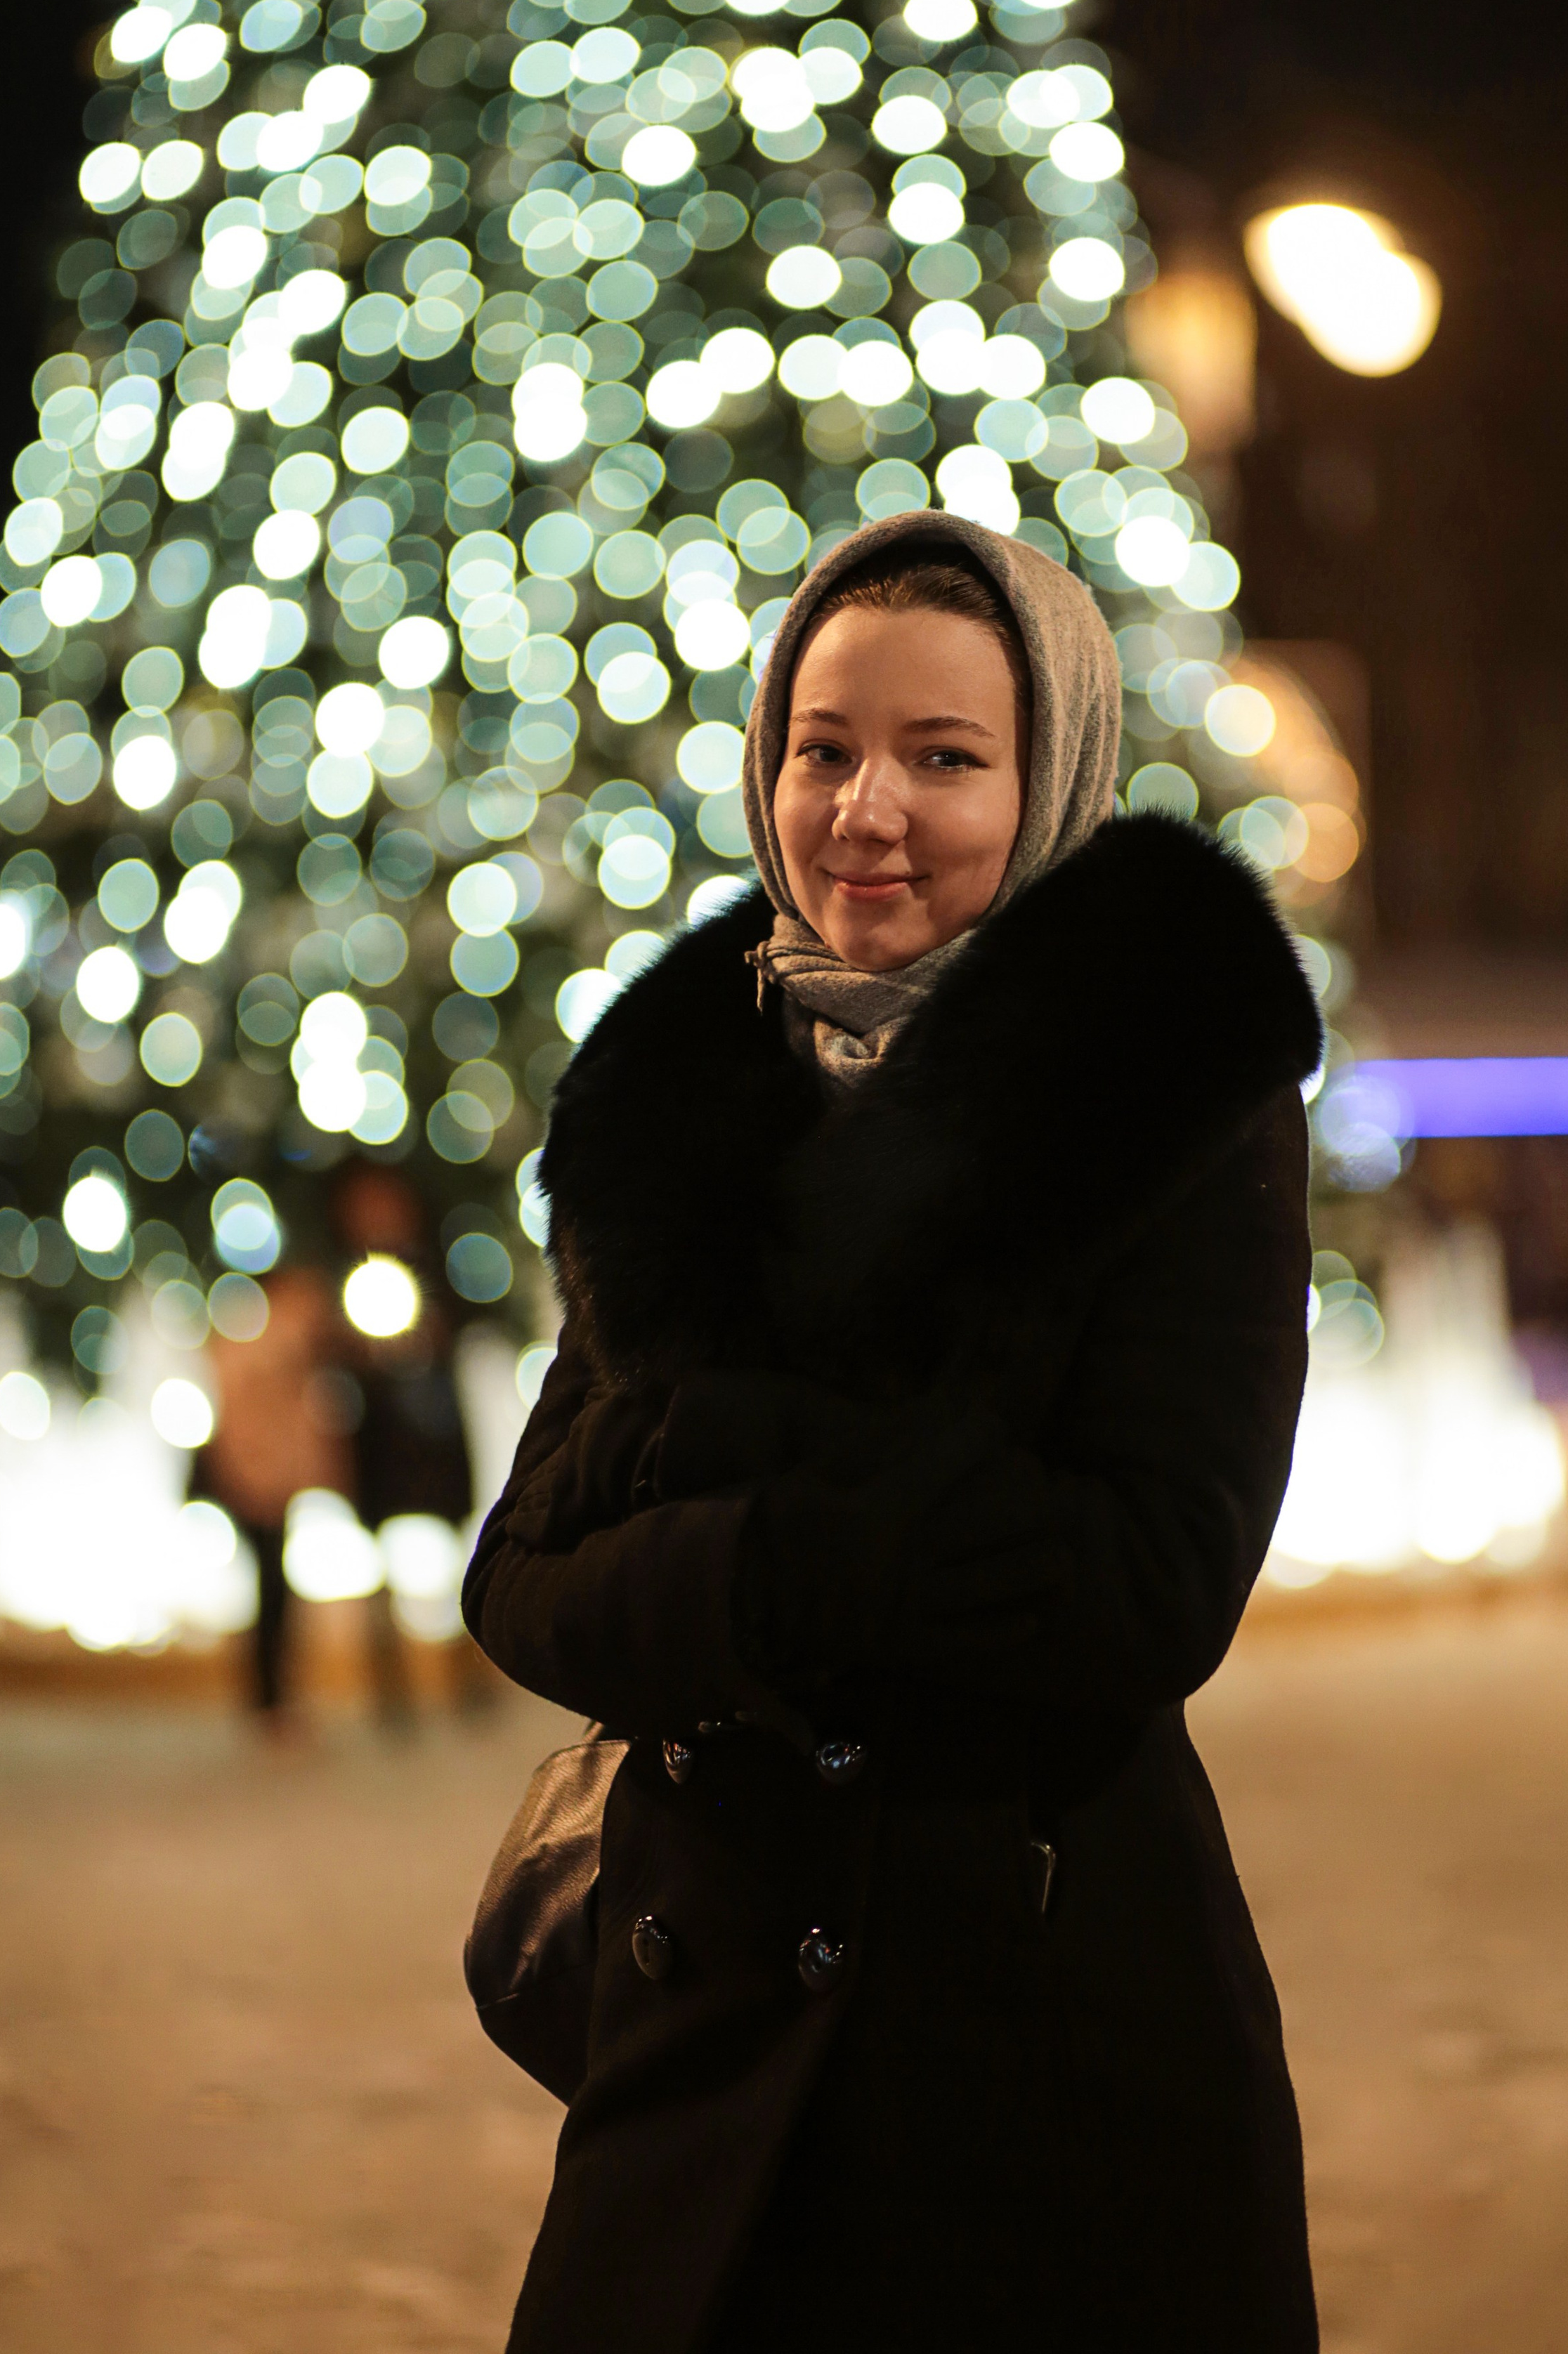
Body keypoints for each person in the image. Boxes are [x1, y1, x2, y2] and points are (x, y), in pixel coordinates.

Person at [464, 506, 1325, 2354]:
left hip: (1043, 2060)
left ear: (1054, 775)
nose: (867, 814)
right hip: (691, 2063)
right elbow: (523, 1583)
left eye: (947, 759)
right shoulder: (676, 1110)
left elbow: (1149, 1590)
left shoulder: (1171, 1098)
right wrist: (789, 1551)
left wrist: (724, 1503)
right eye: (823, 749)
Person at [331, 1160, 477, 1726]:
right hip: (377, 1434)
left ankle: (465, 1674)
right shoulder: (343, 1272)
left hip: (432, 1430)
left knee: (457, 1554)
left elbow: (460, 1325)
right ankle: (388, 1686)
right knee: (377, 1567)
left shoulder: (437, 1267)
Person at [199, 1264, 351, 1733]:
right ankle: (268, 1702)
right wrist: (247, 1477)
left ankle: (274, 1700)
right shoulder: (257, 1350)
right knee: (271, 1595)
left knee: (276, 1593)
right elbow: (241, 1424)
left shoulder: (289, 1361)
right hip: (256, 1487)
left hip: (272, 1486)